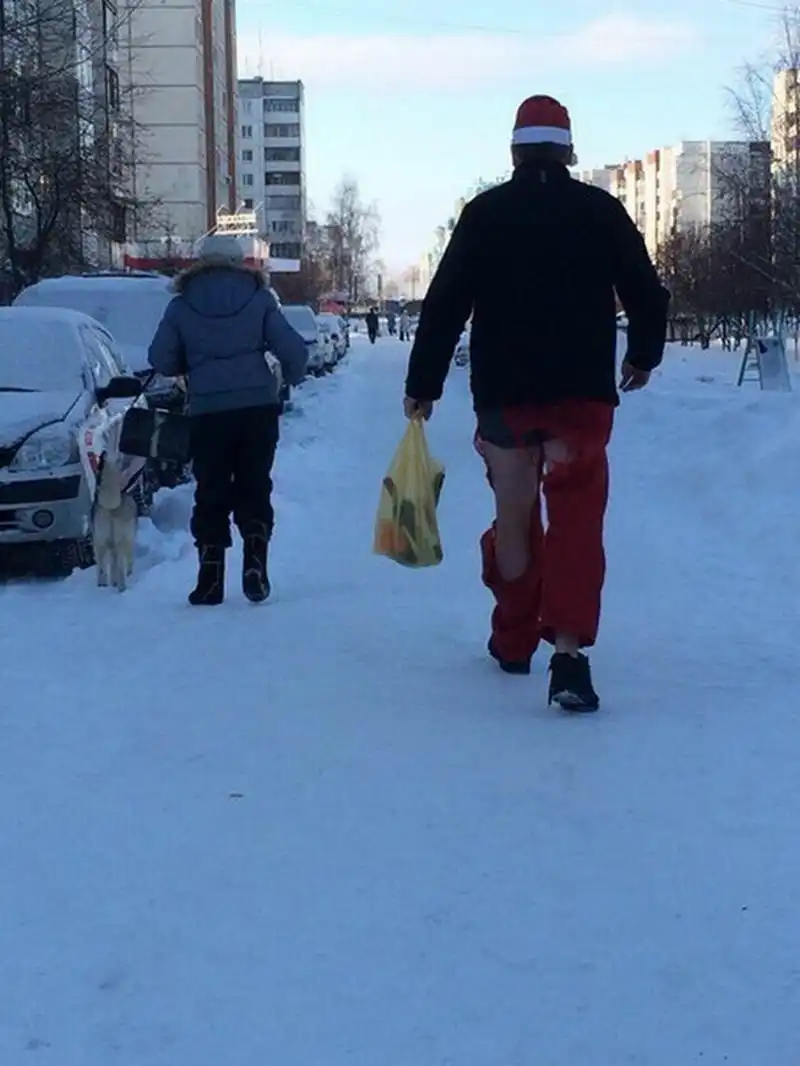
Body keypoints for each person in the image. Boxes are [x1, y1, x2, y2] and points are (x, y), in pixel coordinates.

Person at [403, 94, 669, 712]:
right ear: (568, 152)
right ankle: (569, 657)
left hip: (505, 396)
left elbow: (445, 304)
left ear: (514, 152)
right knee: (576, 519)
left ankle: (514, 638)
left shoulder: (485, 213)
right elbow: (646, 292)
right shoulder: (600, 211)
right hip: (581, 395)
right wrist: (642, 357)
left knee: (514, 514)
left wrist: (424, 384)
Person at [148, 234, 308, 606]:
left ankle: (210, 579)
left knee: (211, 489)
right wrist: (289, 379)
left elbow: (160, 358)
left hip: (207, 411)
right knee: (255, 484)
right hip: (256, 408)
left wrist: (189, 364)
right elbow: (294, 350)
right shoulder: (259, 298)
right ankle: (255, 562)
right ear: (239, 263)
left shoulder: (181, 305)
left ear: (199, 264)